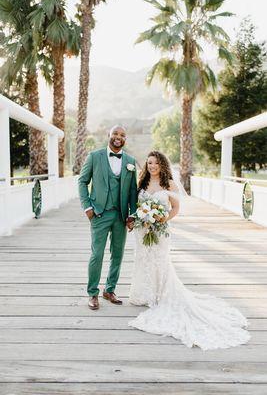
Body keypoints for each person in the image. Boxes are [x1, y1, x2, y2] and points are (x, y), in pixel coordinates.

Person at [128, 151, 250, 350]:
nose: (152, 166)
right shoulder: (141, 184)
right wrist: (140, 218)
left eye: (156, 163)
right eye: (149, 163)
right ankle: (144, 293)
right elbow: (137, 205)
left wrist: (161, 219)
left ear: (162, 165)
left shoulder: (169, 184)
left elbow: (175, 209)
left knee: (160, 260)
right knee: (142, 259)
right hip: (142, 231)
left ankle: (160, 295)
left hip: (160, 230)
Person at [78, 125, 137, 310]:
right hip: (99, 213)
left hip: (121, 215)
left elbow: (133, 191)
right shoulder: (95, 156)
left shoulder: (130, 160)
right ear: (109, 136)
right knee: (97, 254)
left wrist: (133, 214)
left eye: (122, 135)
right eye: (115, 134)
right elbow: (82, 181)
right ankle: (93, 293)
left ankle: (109, 289)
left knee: (117, 254)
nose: (118, 137)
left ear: (125, 139)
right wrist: (87, 207)